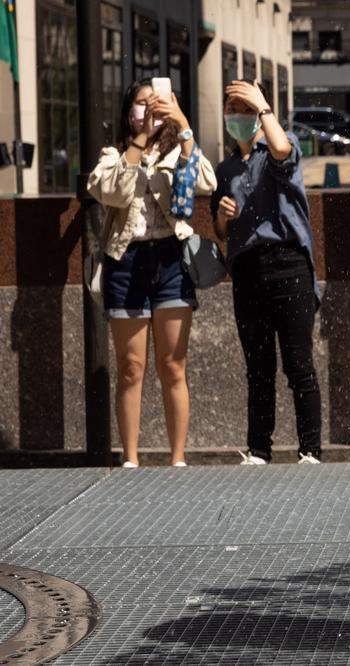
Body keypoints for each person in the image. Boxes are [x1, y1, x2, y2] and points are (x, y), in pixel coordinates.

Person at [87, 79, 217, 468]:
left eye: (156, 102)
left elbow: (206, 182)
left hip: (172, 261)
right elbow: (111, 192)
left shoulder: (180, 151)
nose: (148, 110)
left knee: (173, 365)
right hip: (125, 262)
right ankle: (130, 458)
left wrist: (183, 125)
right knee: (130, 367)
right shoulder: (115, 154)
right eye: (141, 104)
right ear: (129, 111)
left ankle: (177, 458)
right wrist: (140, 141)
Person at [211, 80, 323, 466]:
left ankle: (310, 449)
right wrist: (222, 219)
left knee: (298, 363)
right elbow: (222, 232)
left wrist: (263, 106)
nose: (237, 117)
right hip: (246, 269)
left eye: (244, 109)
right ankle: (259, 449)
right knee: (258, 368)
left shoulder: (278, 142)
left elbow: (281, 151)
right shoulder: (225, 168)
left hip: (289, 263)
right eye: (232, 109)